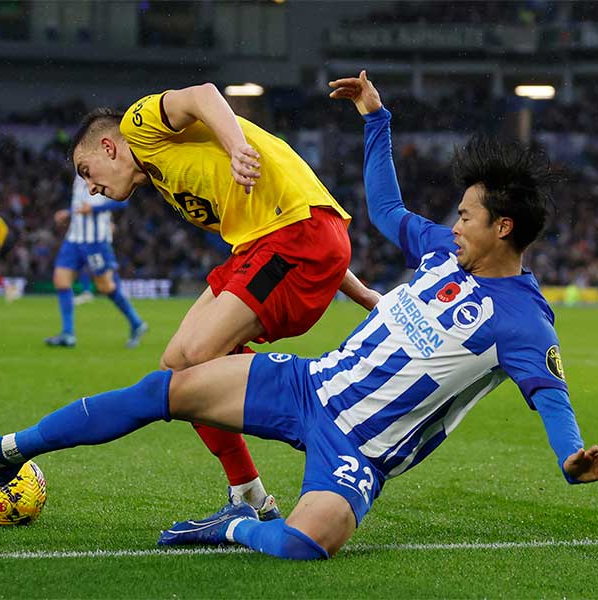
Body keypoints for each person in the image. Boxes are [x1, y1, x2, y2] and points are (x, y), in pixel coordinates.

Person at [0, 71, 598, 560]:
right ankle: (11, 449)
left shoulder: (524, 319)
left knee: (300, 543)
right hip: (308, 382)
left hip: (358, 448)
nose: (453, 222)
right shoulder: (443, 250)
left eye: (466, 215)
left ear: (502, 228)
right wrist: (376, 120)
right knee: (166, 380)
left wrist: (570, 457)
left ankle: (235, 522)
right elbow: (380, 210)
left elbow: (548, 393)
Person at [64, 82, 380, 518]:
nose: (90, 187)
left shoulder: (139, 125)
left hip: (290, 234)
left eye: (85, 169)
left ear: (107, 146)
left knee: (199, 353)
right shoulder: (167, 179)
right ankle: (248, 493)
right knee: (175, 366)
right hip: (274, 240)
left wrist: (236, 148)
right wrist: (363, 294)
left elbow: (202, 94)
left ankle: (313, 402)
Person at [45, 176, 147, 349]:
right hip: (74, 238)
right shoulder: (78, 176)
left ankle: (136, 323)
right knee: (60, 280)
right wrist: (68, 213)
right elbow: (80, 204)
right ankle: (68, 334)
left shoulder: (104, 174)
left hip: (95, 241)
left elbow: (122, 203)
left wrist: (94, 208)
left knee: (106, 286)